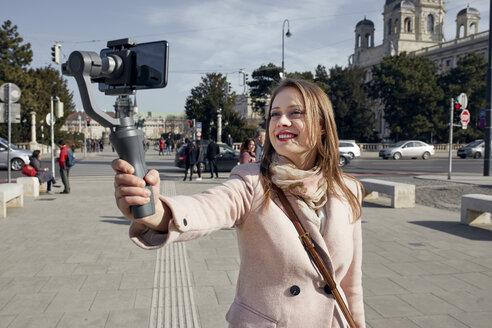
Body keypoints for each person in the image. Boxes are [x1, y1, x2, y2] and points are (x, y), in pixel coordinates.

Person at [112, 78, 365, 327]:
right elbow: (208, 207)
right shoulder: (252, 181)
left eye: (295, 112)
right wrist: (156, 211)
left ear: (322, 125)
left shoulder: (348, 190)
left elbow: (351, 284)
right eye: (274, 114)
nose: (281, 122)